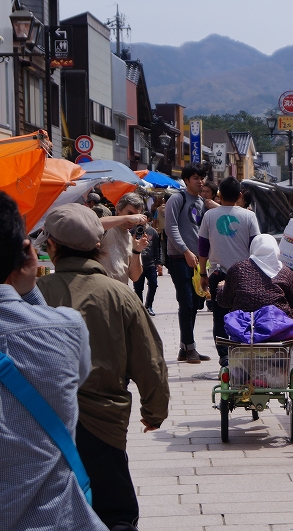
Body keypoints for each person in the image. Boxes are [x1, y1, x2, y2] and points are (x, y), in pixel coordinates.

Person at [35, 203, 170, 530]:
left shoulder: (35, 296)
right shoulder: (121, 295)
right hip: (105, 422)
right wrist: (154, 412)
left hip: (42, 423)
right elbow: (150, 362)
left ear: (51, 245)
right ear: (99, 245)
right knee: (115, 513)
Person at [0, 193, 107, 531]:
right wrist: (28, 289)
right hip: (57, 518)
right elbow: (78, 372)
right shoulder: (66, 327)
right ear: (26, 252)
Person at [198, 176, 261, 365]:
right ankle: (241, 351)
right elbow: (256, 245)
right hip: (244, 274)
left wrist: (203, 273)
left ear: (219, 195)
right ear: (239, 195)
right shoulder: (249, 216)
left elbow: (202, 246)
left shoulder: (209, 215)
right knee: (243, 314)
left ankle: (224, 355)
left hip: (218, 273)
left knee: (219, 316)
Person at [165, 164, 211, 363]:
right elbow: (170, 227)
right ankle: (189, 347)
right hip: (179, 258)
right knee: (186, 303)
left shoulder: (201, 202)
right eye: (195, 178)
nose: (200, 181)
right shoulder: (177, 198)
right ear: (186, 180)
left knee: (195, 304)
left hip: (197, 260)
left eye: (202, 178)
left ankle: (186, 348)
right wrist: (185, 251)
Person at [216, 234, 293, 319]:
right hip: (279, 327)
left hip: (245, 326)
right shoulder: (287, 273)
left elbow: (225, 302)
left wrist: (221, 288)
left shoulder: (238, 269)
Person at [97, 192, 149, 284]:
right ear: (119, 209)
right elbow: (95, 224)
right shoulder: (108, 227)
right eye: (130, 213)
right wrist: (127, 218)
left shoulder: (132, 238)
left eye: (136, 215)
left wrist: (137, 251)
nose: (133, 218)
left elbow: (135, 277)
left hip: (120, 291)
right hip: (102, 289)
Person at [133, 212, 161, 316]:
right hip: (138, 263)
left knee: (153, 284)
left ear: (148, 219)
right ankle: (140, 308)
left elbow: (157, 247)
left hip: (150, 264)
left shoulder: (152, 231)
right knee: (138, 288)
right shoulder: (132, 231)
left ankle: (149, 305)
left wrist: (158, 262)